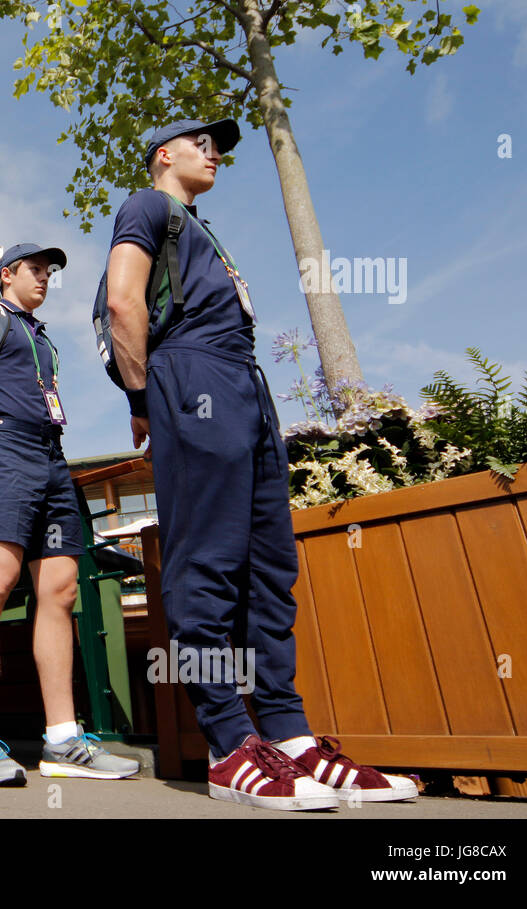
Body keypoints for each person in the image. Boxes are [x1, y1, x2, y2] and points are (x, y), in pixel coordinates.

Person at [105, 118, 416, 809]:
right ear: (165, 155)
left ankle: (289, 734)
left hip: (248, 387)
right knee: (207, 562)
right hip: (196, 377)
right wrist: (146, 397)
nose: (215, 154)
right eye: (201, 143)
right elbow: (123, 301)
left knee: (271, 568)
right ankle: (227, 743)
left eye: (219, 147)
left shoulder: (202, 229)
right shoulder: (148, 205)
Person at [0, 242, 140, 787]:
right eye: (35, 269)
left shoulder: (42, 336)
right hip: (0, 453)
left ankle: (62, 738)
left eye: (50, 272)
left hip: (51, 458)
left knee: (61, 589)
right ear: (7, 274)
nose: (45, 278)